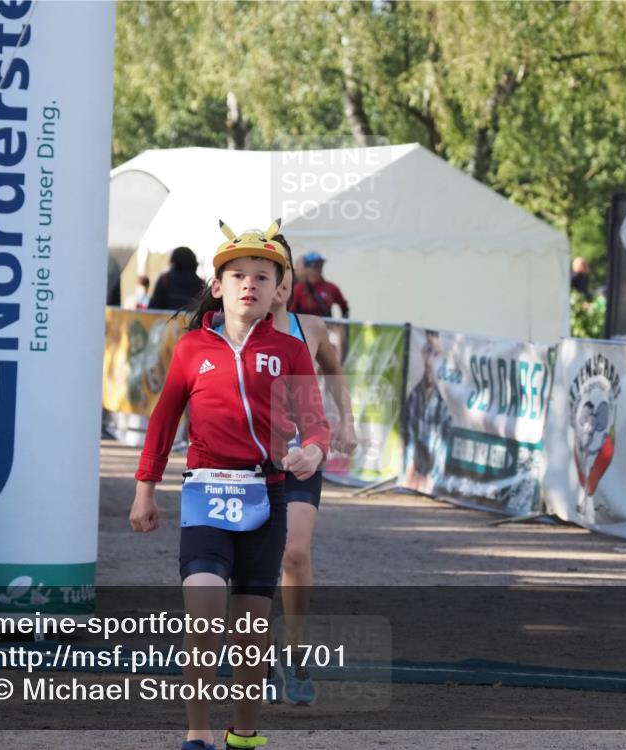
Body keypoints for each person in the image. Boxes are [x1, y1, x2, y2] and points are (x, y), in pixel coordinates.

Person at [130, 220, 330, 750]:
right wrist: (145, 488)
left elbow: (315, 421)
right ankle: (197, 734)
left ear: (278, 290)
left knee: (250, 631)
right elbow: (163, 419)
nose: (250, 285)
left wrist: (312, 450)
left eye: (262, 277)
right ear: (217, 286)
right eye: (238, 275)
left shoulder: (290, 350)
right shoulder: (191, 348)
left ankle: (243, 734)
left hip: (267, 496)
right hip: (205, 494)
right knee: (203, 612)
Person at [265, 233, 358, 706]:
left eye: (282, 271)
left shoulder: (313, 327)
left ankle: (295, 651)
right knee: (253, 560)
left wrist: (347, 421)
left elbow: (335, 372)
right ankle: (258, 654)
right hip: (249, 458)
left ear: (291, 277)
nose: (277, 281)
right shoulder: (231, 329)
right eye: (267, 272)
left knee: (295, 552)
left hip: (304, 453)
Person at [402, 330, 453, 494]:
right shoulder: (414, 397)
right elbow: (408, 438)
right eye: (427, 351)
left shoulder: (444, 404)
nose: (430, 360)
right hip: (413, 477)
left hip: (432, 480)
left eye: (435, 353)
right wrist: (409, 470)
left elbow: (443, 450)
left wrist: (433, 479)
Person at [287, 252, 349, 318]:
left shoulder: (331, 288)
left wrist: (343, 323)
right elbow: (291, 313)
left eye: (320, 265)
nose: (318, 268)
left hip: (326, 324)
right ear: (306, 268)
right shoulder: (298, 290)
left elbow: (344, 307)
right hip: (305, 324)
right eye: (314, 266)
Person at [148, 246, 205, 311]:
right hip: (192, 317)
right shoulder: (201, 283)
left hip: (167, 317)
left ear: (173, 260)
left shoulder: (165, 279)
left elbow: (153, 306)